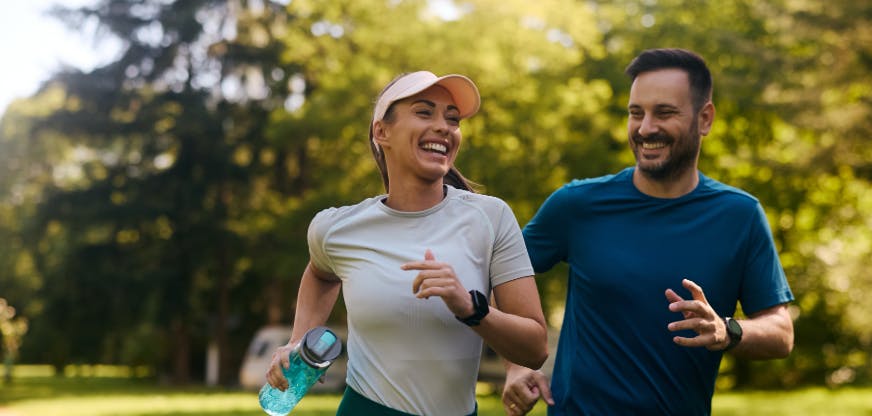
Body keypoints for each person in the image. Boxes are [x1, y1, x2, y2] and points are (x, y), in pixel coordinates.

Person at [502, 48, 795, 415]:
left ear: (705, 119)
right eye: (636, 113)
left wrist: (726, 331)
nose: (645, 128)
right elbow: (500, 275)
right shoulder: (576, 205)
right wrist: (517, 363)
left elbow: (781, 333)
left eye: (665, 112)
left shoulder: (741, 215)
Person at [265, 71, 548, 416]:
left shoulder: (491, 218)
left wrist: (471, 308)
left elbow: (535, 347)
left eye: (452, 118)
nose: (444, 126)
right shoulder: (336, 228)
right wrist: (298, 341)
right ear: (381, 132)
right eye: (424, 112)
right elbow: (321, 272)